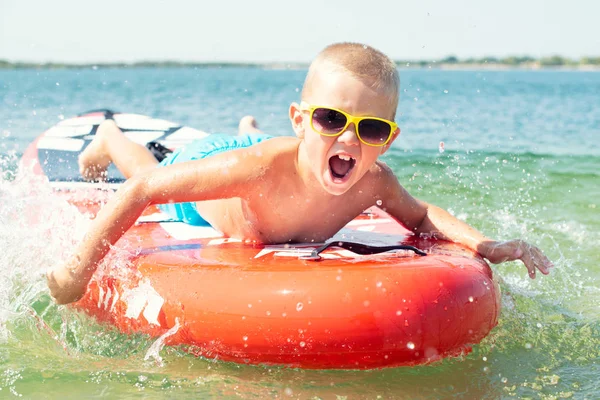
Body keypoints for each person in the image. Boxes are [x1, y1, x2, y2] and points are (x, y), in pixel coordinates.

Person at [47, 42, 553, 304]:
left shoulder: (373, 183)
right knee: (153, 170)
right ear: (302, 119)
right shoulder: (258, 169)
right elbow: (139, 190)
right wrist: (76, 273)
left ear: (389, 139)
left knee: (280, 151)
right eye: (332, 120)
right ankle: (110, 138)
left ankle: (252, 128)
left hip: (278, 155)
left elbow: (422, 216)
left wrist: (485, 246)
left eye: (371, 128)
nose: (350, 141)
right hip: (229, 170)